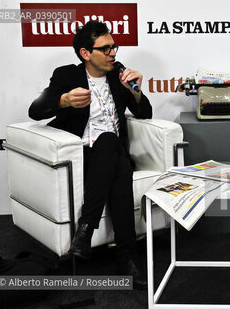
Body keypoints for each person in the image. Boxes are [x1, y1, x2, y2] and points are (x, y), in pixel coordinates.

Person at [28, 20, 151, 288]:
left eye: (114, 47)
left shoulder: (119, 76)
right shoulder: (66, 76)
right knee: (112, 149)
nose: (113, 54)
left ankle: (87, 231)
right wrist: (63, 100)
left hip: (112, 154)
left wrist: (136, 90)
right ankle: (125, 260)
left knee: (113, 151)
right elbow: (35, 110)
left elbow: (145, 113)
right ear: (86, 53)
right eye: (106, 49)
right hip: (81, 157)